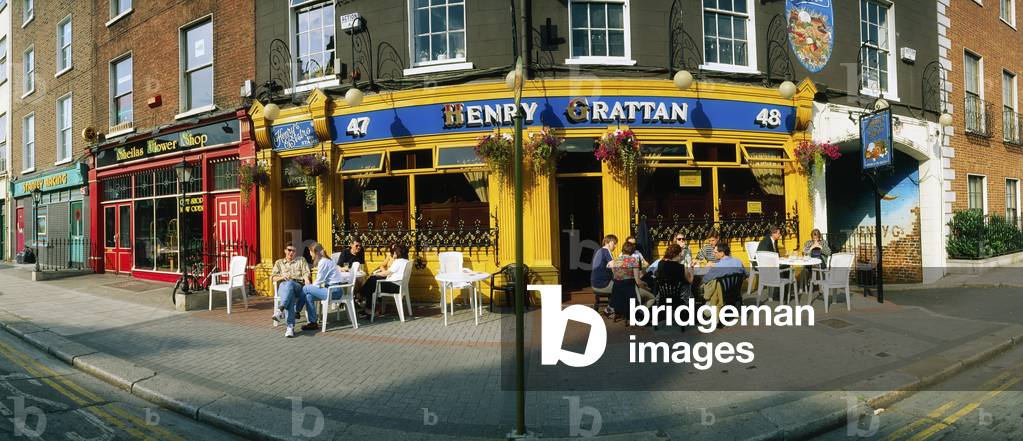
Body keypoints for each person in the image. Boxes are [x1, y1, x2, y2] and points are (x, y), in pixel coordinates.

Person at [298, 242, 346, 333]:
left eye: (310, 252)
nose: (310, 255)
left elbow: (319, 282)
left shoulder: (323, 262)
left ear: (315, 252)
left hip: (334, 291)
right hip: (333, 290)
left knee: (305, 288)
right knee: (308, 296)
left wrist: (310, 287)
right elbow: (320, 282)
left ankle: (296, 310)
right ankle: (313, 323)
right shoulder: (326, 260)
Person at [270, 244, 312, 337]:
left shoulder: (301, 260)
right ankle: (289, 327)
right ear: (285, 251)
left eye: (293, 251)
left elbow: (306, 272)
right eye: (289, 250)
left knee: (290, 285)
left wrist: (306, 279)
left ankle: (281, 311)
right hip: (283, 287)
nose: (291, 252)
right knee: (290, 295)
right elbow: (273, 277)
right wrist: (282, 276)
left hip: (298, 286)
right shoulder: (279, 262)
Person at [358, 244, 410, 318]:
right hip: (399, 285)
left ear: (398, 253)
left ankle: (363, 299)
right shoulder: (406, 261)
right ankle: (364, 301)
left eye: (395, 252)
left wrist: (375, 274)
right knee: (372, 281)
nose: (393, 253)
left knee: (372, 282)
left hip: (394, 286)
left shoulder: (398, 262)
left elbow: (387, 273)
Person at [608, 242, 654, 320]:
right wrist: (647, 287)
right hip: (630, 291)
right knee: (652, 297)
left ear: (623, 249)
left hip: (617, 292)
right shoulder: (633, 260)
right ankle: (639, 312)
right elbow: (638, 281)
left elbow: (616, 277)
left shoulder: (615, 261)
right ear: (632, 251)